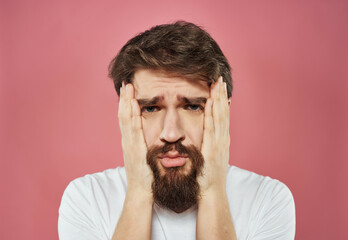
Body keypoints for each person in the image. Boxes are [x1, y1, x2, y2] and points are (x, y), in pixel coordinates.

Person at [58, 21, 296, 240]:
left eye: (192, 106)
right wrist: (140, 191)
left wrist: (212, 190)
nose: (171, 134)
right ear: (125, 113)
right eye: (151, 108)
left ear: (222, 111)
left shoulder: (268, 199)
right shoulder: (86, 199)